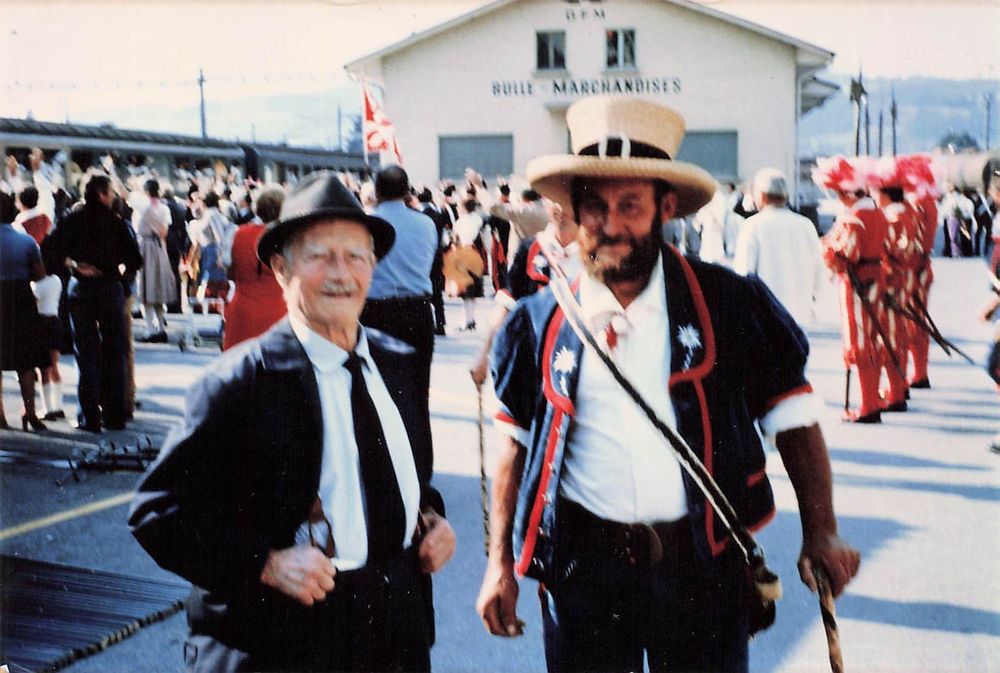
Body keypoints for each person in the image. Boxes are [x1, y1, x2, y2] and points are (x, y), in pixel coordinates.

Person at [476, 96, 860, 673]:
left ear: (667, 206)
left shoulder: (730, 304)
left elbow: (795, 422)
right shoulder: (538, 322)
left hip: (700, 567)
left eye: (630, 204)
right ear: (574, 212)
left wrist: (822, 533)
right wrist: (498, 564)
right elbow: (514, 444)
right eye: (594, 206)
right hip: (583, 574)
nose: (611, 224)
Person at [129, 171, 456, 672]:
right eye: (320, 256)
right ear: (281, 269)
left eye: (356, 256)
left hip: (395, 633)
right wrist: (266, 564)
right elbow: (158, 513)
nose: (341, 274)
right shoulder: (239, 383)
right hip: (286, 642)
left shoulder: (397, 363)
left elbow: (408, 475)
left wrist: (431, 520)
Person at [46, 174, 142, 432]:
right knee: (114, 351)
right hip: (110, 288)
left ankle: (89, 416)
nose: (113, 197)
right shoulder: (116, 223)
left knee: (85, 353)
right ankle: (115, 416)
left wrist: (75, 265)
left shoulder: (72, 220)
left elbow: (50, 250)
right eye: (110, 192)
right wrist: (117, 272)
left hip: (81, 291)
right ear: (101, 194)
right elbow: (135, 260)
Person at [362, 166, 438, 477]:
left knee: (377, 393)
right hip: (417, 310)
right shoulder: (426, 223)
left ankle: (384, 465)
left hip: (376, 311)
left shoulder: (367, 223)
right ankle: (421, 468)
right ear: (408, 191)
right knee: (418, 393)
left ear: (377, 191)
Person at [469, 199, 579, 387]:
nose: (559, 207)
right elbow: (507, 302)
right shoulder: (531, 248)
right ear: (544, 203)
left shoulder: (595, 251)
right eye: (552, 198)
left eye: (564, 197)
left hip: (580, 358)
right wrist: (484, 353)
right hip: (536, 359)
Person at [815, 157, 892, 423]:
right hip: (875, 280)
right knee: (871, 341)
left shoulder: (854, 218)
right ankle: (872, 400)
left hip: (857, 284)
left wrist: (826, 250)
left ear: (848, 193)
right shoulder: (876, 213)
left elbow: (844, 256)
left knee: (858, 346)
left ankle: (868, 405)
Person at [733, 168, 823, 327]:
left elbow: (743, 275)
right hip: (800, 316)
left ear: (761, 195)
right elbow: (818, 270)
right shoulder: (806, 225)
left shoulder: (752, 226)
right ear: (785, 196)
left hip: (765, 316)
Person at [0, 191, 48, 431]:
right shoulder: (26, 241)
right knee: (25, 360)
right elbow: (40, 274)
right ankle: (30, 412)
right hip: (20, 298)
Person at [222, 186, 287, 350]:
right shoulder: (288, 238)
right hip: (279, 312)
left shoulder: (238, 233)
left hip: (242, 312)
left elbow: (229, 270)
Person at [136, 179, 178, 342]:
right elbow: (164, 232)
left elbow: (138, 228)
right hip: (160, 247)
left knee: (146, 289)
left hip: (146, 246)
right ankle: (161, 327)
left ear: (146, 191)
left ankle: (150, 329)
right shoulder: (164, 208)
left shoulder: (143, 208)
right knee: (159, 288)